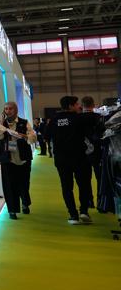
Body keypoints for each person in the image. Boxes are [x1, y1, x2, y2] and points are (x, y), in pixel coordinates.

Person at [52, 96, 94, 224]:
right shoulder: (80, 118)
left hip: (61, 159)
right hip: (79, 157)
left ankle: (73, 215)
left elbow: (47, 135)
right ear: (70, 106)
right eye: (76, 104)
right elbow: (90, 134)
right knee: (84, 185)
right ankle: (84, 211)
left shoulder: (54, 119)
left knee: (66, 187)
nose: (78, 106)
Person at [0, 102, 36, 219]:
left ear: (16, 110)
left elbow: (33, 138)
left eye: (10, 109)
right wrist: (1, 123)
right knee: (9, 185)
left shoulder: (24, 122)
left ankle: (25, 203)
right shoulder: (0, 124)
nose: (8, 111)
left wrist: (24, 136)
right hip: (8, 159)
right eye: (6, 109)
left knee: (24, 183)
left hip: (23, 158)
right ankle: (12, 210)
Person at [80, 96, 104, 207]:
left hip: (82, 152)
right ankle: (101, 201)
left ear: (82, 105)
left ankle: (89, 200)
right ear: (93, 105)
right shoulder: (99, 117)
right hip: (98, 151)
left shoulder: (78, 118)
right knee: (100, 177)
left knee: (85, 179)